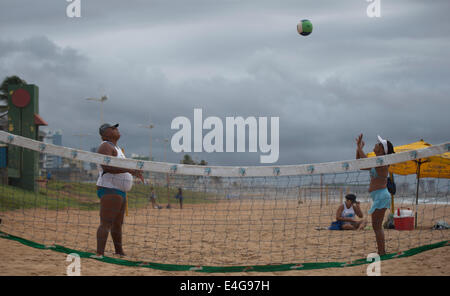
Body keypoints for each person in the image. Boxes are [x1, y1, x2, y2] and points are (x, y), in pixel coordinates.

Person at [95, 123, 144, 258]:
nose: (116, 129)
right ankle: (99, 253)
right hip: (109, 188)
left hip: (119, 190)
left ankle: (119, 251)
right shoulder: (105, 145)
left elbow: (119, 167)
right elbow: (106, 167)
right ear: (105, 134)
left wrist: (133, 171)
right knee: (106, 223)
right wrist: (130, 170)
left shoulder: (117, 148)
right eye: (113, 128)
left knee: (117, 224)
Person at [356, 134, 395, 255]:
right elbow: (360, 163)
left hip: (382, 196)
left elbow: (365, 160)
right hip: (378, 196)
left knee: (377, 226)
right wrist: (358, 148)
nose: (376, 144)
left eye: (379, 144)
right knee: (376, 226)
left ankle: (382, 252)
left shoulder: (382, 162)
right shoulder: (376, 162)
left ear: (382, 150)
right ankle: (381, 251)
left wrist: (360, 148)